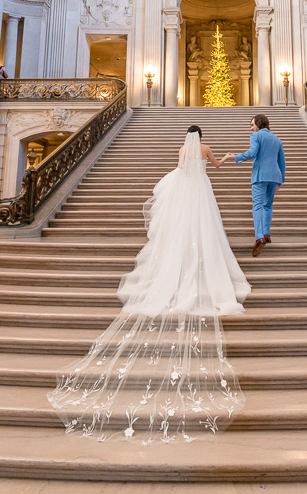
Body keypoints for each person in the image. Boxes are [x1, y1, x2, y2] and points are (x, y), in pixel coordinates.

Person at [47, 125, 251, 444]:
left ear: (186, 137)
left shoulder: (184, 151)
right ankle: (202, 272)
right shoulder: (206, 149)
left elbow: (180, 169)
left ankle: (174, 270)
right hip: (201, 196)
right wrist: (224, 156)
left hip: (184, 195)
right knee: (205, 234)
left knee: (180, 235)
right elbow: (217, 168)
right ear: (202, 137)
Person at [227, 114, 285, 257]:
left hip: (260, 176)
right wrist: (281, 180)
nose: (251, 128)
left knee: (257, 206)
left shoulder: (256, 136)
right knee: (268, 205)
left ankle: (259, 237)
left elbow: (252, 153)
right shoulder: (277, 140)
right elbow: (282, 161)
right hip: (275, 176)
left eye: (252, 125)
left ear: (258, 124)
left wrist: (235, 157)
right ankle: (266, 234)